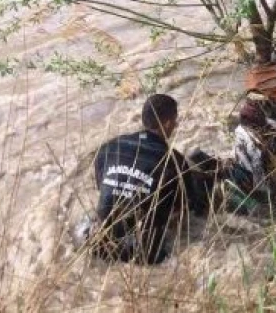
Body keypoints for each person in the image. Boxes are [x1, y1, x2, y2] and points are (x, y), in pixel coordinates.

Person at [89, 94, 209, 264]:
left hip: (97, 244)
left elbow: (102, 187)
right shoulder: (174, 162)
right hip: (146, 255)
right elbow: (184, 211)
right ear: (167, 123)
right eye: (175, 120)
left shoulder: (108, 148)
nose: (175, 125)